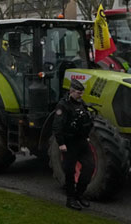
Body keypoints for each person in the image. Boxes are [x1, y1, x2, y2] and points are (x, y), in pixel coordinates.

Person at [52, 79, 95, 210]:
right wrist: (61, 143)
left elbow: (85, 120)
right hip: (69, 142)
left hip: (81, 140)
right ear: (71, 91)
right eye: (78, 93)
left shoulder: (81, 103)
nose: (81, 95)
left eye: (82, 93)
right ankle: (70, 198)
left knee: (90, 166)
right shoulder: (63, 105)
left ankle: (79, 194)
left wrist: (87, 136)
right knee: (70, 171)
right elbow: (57, 125)